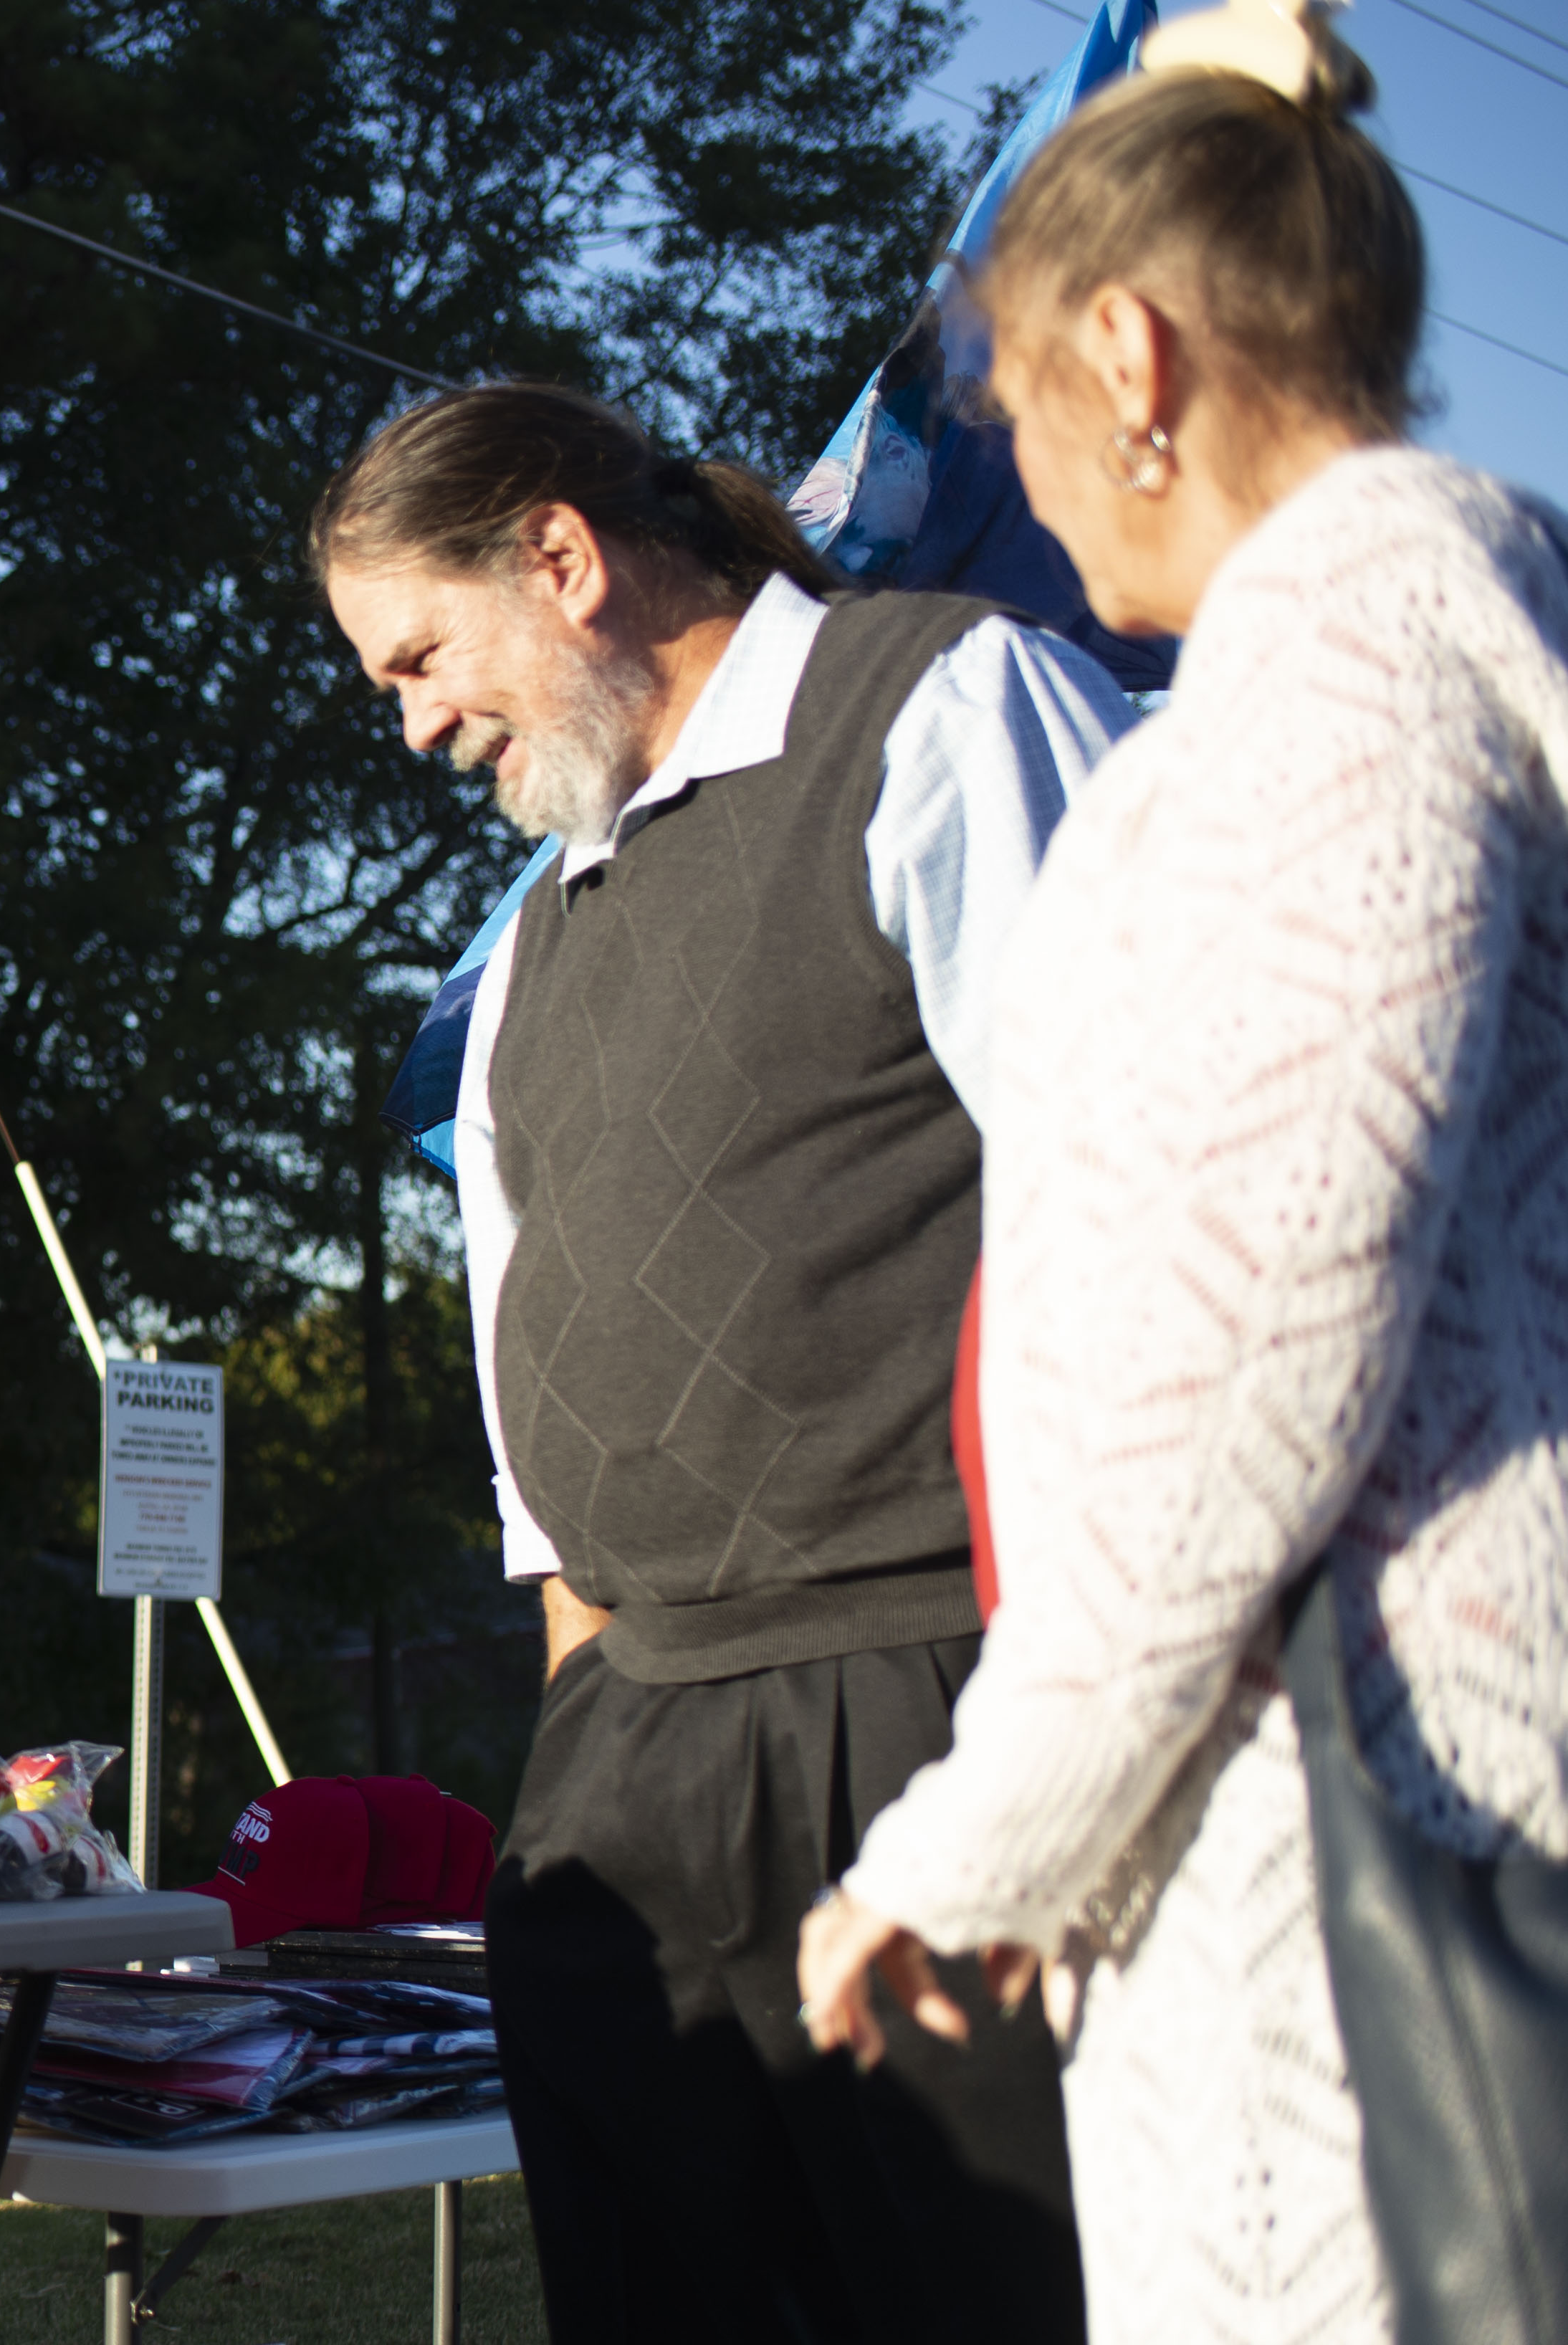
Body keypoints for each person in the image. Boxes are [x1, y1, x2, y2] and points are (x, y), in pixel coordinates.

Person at [798, 4, 1568, 2332]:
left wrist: (970, 1839)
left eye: (1016, 393)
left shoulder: (1341, 674)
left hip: (1365, 1870)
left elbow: (1245, 1341)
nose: (1020, 467)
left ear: (1129, 352)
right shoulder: (1438, 639)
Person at [316, 380, 1131, 2342]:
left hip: (932, 1698)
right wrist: (574, 1773)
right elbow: (542, 1459)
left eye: (416, 657)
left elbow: (1143, 1218)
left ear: (563, 560)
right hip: (630, 1767)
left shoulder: (939, 710)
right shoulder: (532, 946)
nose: (411, 724)